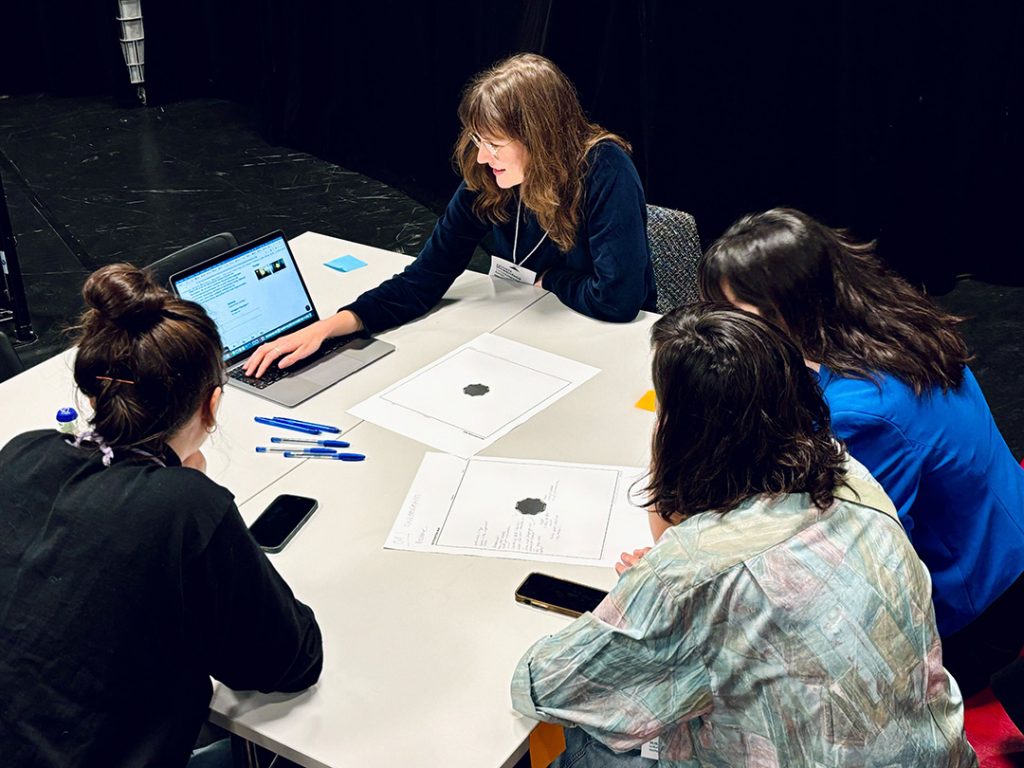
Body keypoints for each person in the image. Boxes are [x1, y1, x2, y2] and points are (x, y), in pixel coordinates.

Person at [511, 304, 976, 767]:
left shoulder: (692, 572)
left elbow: (545, 686)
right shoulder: (851, 476)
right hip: (939, 752)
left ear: (682, 433)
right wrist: (675, 581)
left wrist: (668, 572)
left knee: (592, 744)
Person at [0, 264, 323, 767]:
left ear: (92, 395)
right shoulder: (185, 506)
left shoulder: (23, 452)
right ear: (212, 406)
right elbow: (290, 661)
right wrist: (197, 493)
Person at [699, 208, 1024, 696]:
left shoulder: (861, 413)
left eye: (736, 314)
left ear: (789, 306)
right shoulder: (891, 322)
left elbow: (851, 561)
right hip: (1000, 553)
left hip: (971, 620)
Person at [244, 53, 656, 378]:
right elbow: (424, 279)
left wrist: (554, 280)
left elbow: (616, 301)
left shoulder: (604, 169)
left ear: (539, 139)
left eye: (494, 143)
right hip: (534, 335)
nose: (481, 156)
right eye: (478, 140)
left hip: (610, 344)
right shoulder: (491, 176)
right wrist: (330, 327)